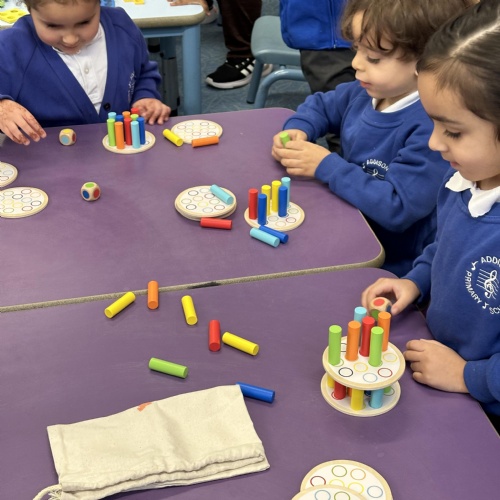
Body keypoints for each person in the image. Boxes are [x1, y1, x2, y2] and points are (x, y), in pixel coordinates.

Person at [361, 0, 500, 428]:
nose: (435, 144)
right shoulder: (466, 181)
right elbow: (446, 246)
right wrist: (416, 280)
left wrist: (469, 376)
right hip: (443, 372)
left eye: (453, 131)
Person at [271, 0, 474, 277]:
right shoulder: (367, 90)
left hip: (390, 260)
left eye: (374, 58)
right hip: (350, 220)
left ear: (425, 62)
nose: (356, 63)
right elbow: (322, 105)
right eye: (357, 49)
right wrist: (301, 127)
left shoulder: (432, 130)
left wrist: (326, 166)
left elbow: (398, 207)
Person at [0, 0, 171, 146]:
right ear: (30, 9)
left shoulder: (122, 28)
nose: (70, 39)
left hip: (123, 154)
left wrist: (145, 96)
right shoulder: (12, 47)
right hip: (46, 164)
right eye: (52, 25)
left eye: (84, 23)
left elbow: (143, 73)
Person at [280, 0, 355, 152]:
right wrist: (300, 126)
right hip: (327, 32)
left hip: (387, 22)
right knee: (343, 129)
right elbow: (324, 109)